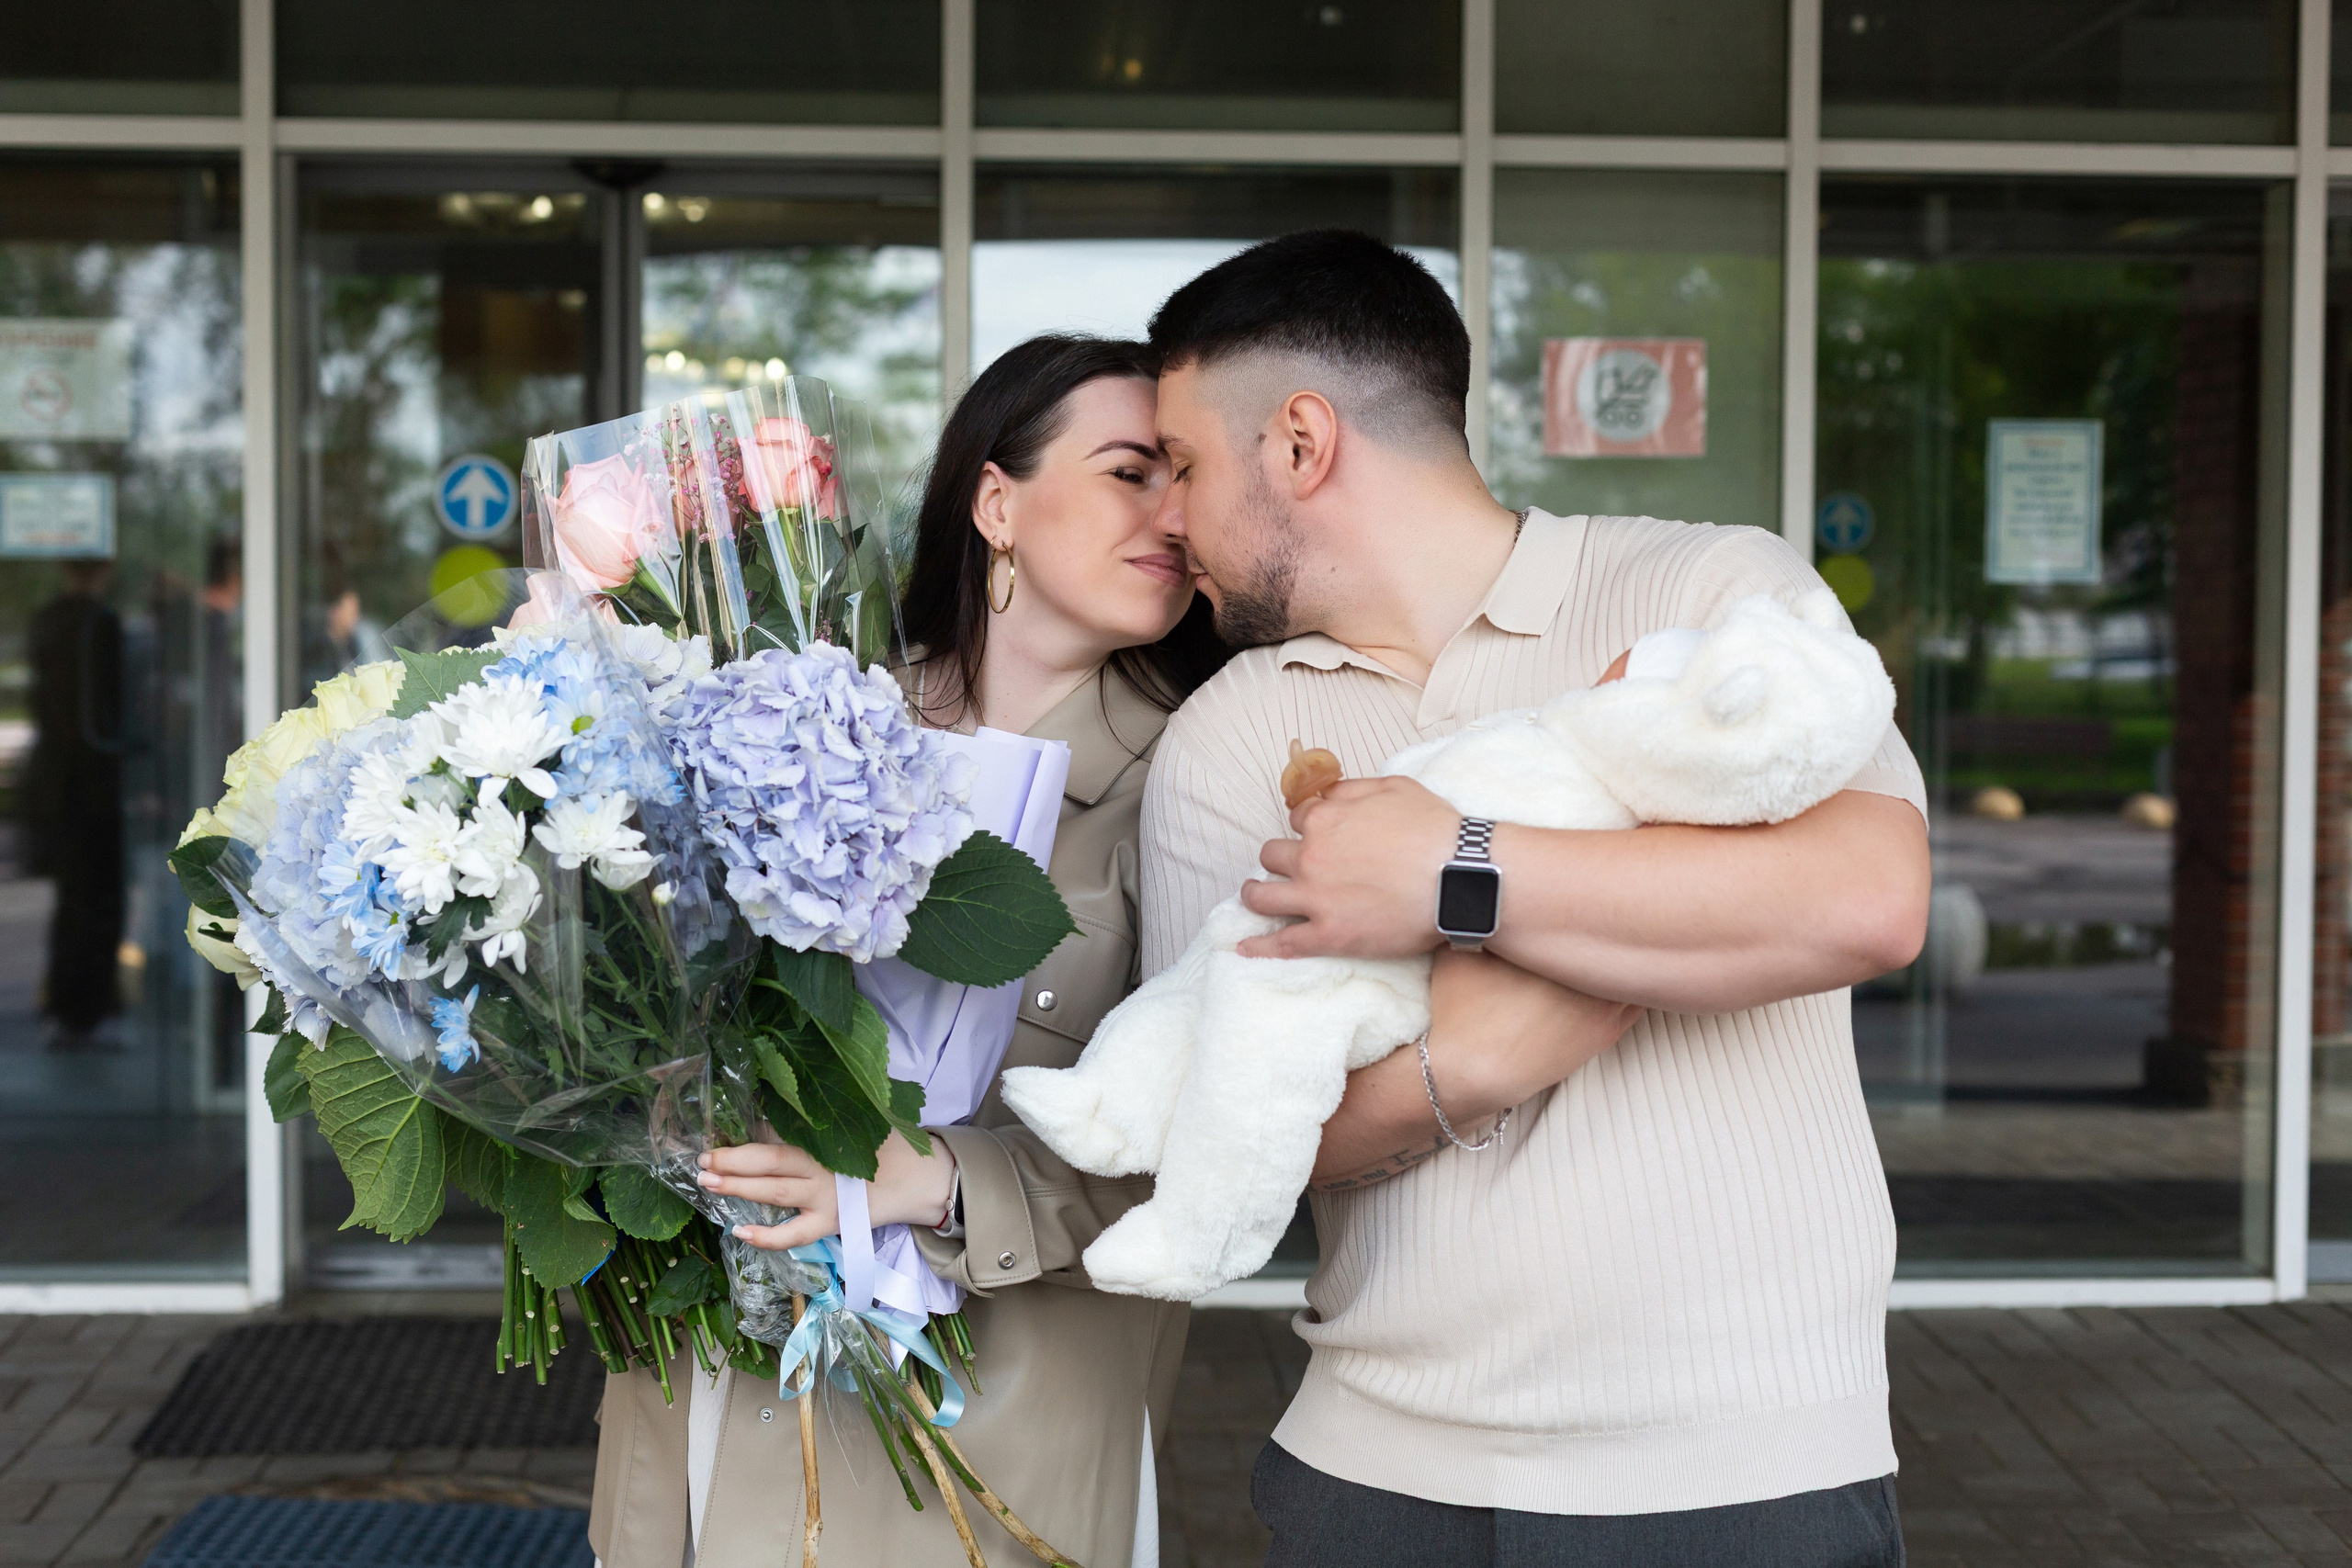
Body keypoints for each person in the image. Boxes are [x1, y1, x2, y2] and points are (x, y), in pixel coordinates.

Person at [1136, 231, 1930, 1566]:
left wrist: (1455, 871)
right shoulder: (1230, 729)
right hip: (1378, 1478)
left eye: (1183, 466)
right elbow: (1212, 1130)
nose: (1165, 517)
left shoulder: (1703, 590)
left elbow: (1868, 897)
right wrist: (1468, 1068)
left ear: (1300, 443)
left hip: (1749, 1467)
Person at [587, 335, 1227, 1568]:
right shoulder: (799, 710)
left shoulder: (1192, 775)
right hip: (725, 1384)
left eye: (1186, 477)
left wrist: (930, 1178)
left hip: (988, 1438)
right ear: (998, 501)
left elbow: (1210, 1138)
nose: (1172, 512)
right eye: (1131, 471)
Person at [22, 558, 125, 1051]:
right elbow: (109, 709)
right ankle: (85, 1006)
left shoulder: (49, 622)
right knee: (98, 897)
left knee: (72, 898)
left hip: (55, 781)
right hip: (92, 783)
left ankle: (68, 1003)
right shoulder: (98, 626)